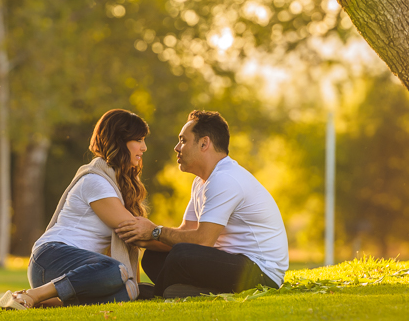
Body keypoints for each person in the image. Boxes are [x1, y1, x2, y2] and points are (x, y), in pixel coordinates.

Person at [117, 110, 288, 296]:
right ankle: (192, 291)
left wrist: (154, 231)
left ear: (204, 143)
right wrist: (142, 238)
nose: (177, 147)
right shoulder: (201, 181)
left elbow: (203, 241)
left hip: (261, 273)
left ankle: (154, 293)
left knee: (181, 254)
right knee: (153, 255)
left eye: (183, 140)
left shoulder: (225, 179)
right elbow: (185, 231)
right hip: (231, 261)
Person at [0, 109, 149, 310]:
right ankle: (32, 295)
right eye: (139, 140)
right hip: (51, 258)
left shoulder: (117, 184)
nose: (144, 147)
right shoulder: (95, 181)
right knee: (115, 271)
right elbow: (134, 230)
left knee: (128, 291)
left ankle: (51, 302)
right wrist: (176, 239)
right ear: (119, 141)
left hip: (83, 274)